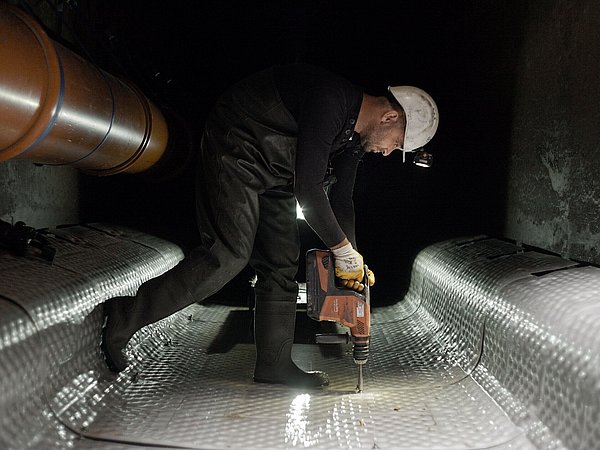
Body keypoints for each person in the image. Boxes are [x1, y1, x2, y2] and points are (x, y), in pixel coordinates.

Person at [101, 63, 439, 388]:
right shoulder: (331, 99)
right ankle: (125, 316)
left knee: (281, 263)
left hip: (277, 175)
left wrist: (352, 262)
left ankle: (274, 366)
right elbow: (308, 190)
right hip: (237, 152)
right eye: (396, 143)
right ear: (390, 116)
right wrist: (341, 250)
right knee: (228, 254)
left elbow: (342, 202)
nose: (388, 152)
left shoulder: (355, 138)